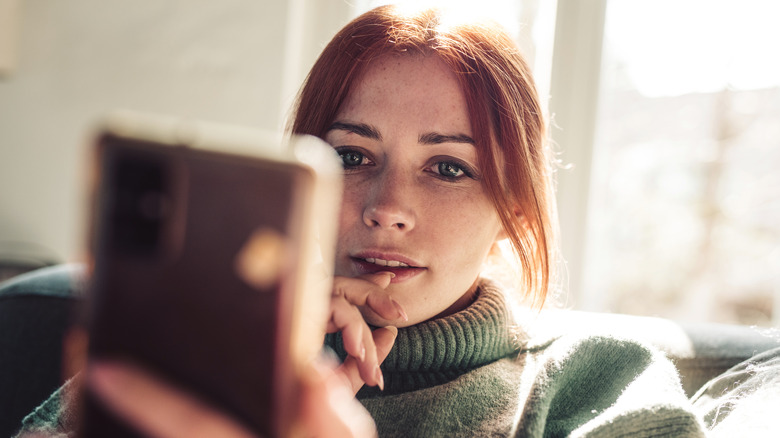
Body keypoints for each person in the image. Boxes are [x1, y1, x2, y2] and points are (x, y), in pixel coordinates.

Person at [15, 4, 778, 438]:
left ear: (514, 207)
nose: (388, 208)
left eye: (449, 167)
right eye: (351, 157)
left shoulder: (597, 380)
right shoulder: (196, 351)